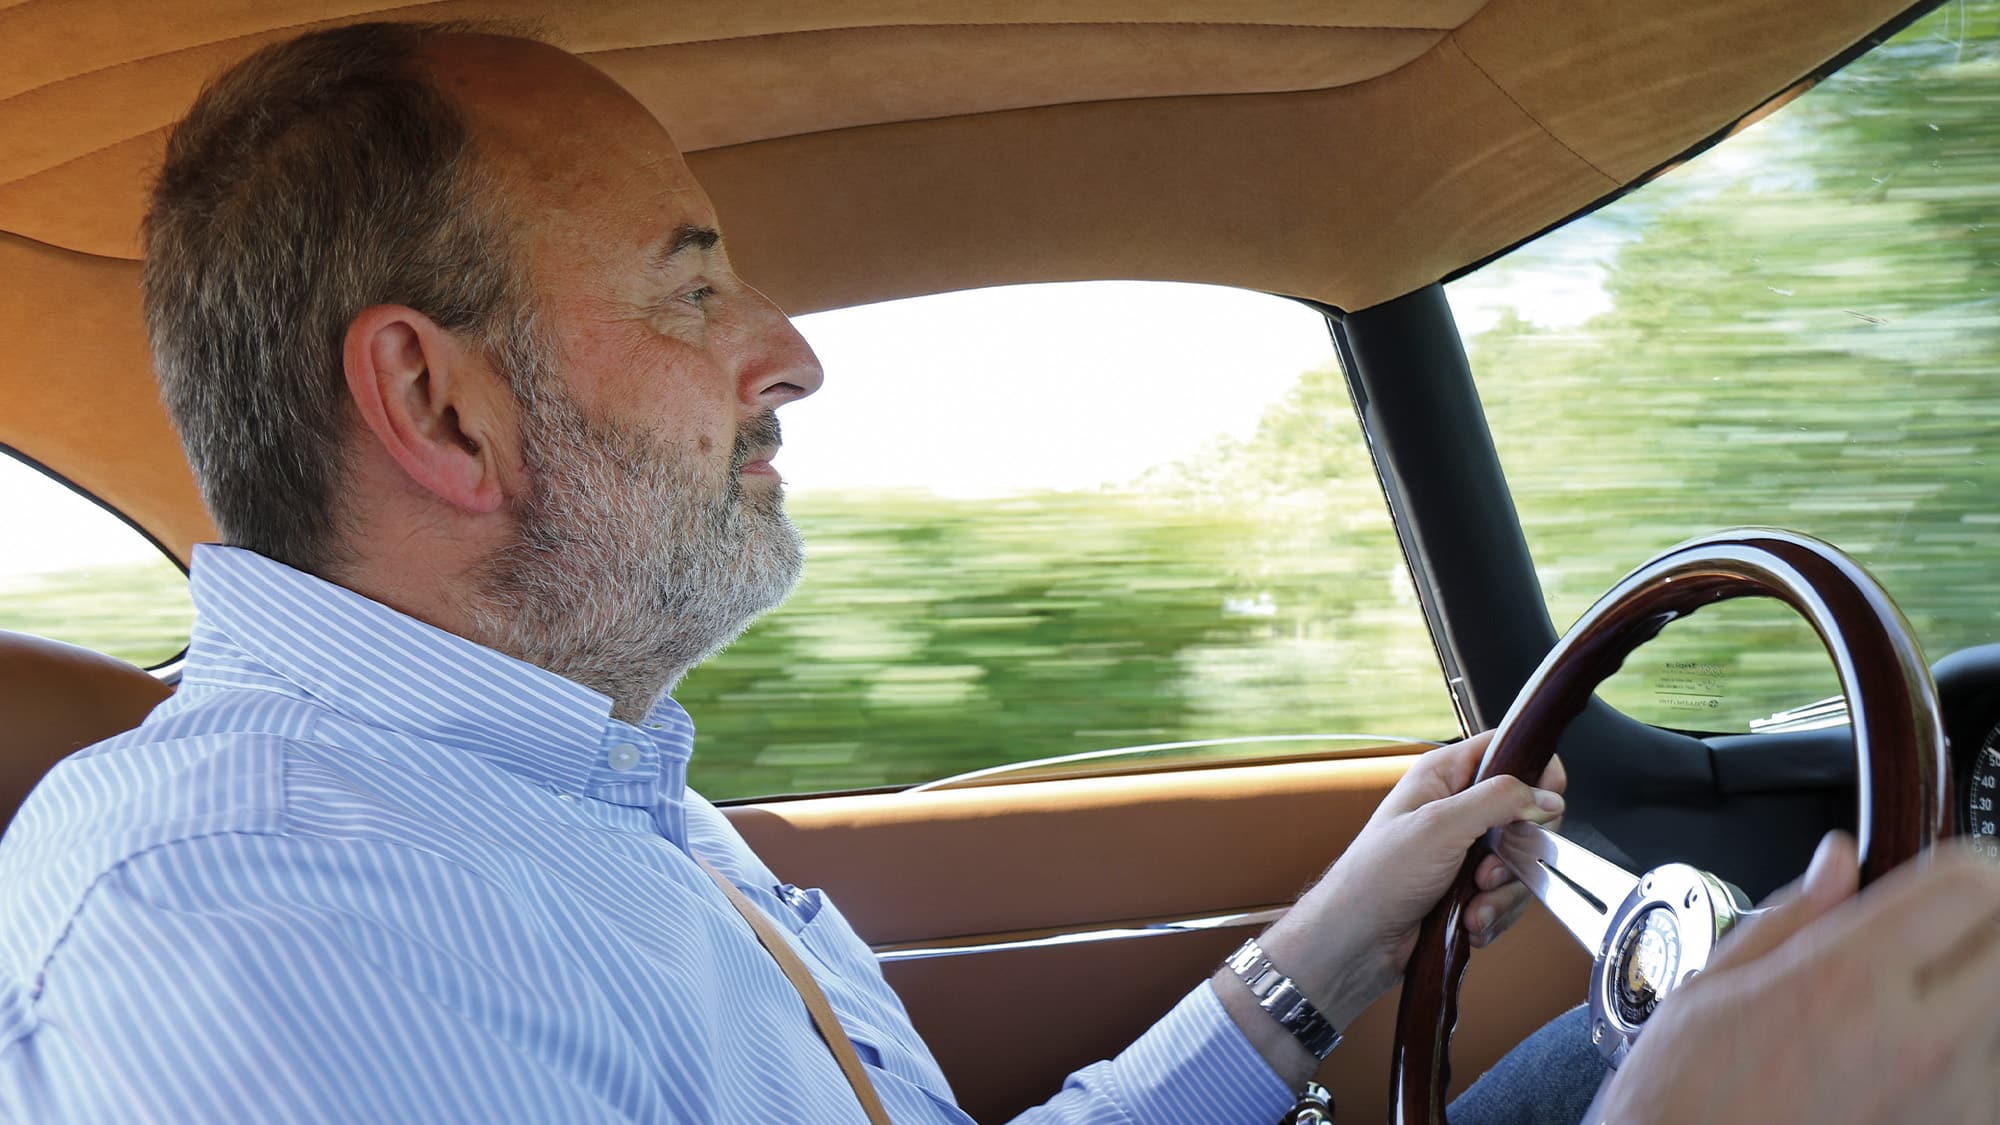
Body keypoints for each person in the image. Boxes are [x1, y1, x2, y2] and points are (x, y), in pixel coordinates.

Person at [0, 19, 1995, 1124]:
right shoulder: (245, 908)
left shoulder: (566, 795)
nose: (785, 355)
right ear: (439, 407)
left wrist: (1329, 947)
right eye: (693, 295)